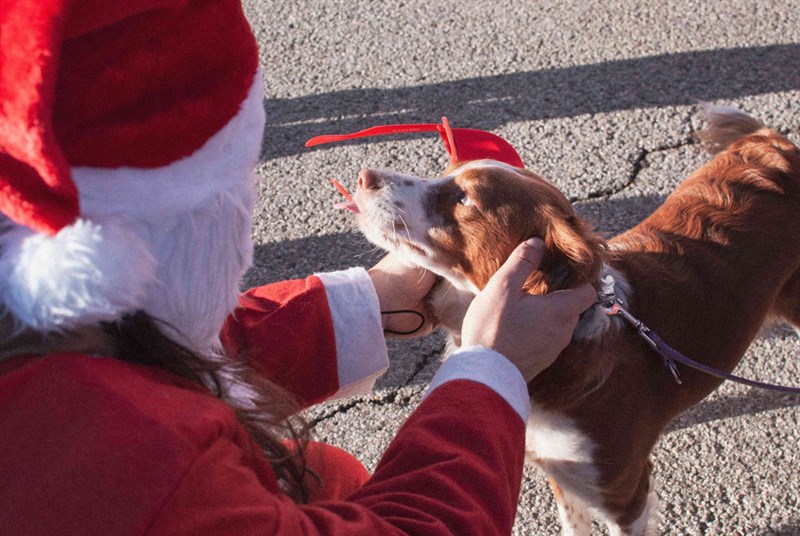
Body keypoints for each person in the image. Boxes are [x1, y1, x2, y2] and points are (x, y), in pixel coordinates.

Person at [0, 2, 596, 535]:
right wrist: (489, 370)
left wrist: (370, 299)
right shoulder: (123, 467)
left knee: (323, 472)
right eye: (235, 188)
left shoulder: (53, 347)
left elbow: (160, 347)